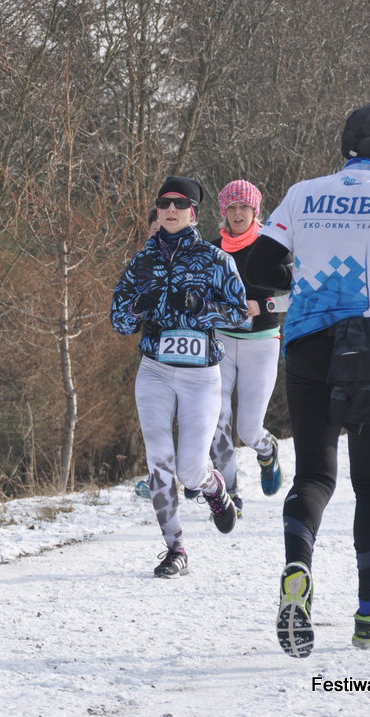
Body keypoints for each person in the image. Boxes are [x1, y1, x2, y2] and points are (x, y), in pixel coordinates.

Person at [245, 103, 370, 658]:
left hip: (307, 342)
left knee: (314, 473)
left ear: (344, 148)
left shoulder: (303, 194)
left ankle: (297, 571)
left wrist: (300, 280)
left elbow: (257, 267)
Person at [111, 176, 248, 578]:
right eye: (164, 203)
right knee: (159, 460)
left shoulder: (215, 259)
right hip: (154, 369)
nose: (171, 209)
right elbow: (119, 321)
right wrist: (139, 305)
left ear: (194, 213)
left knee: (189, 469)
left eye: (180, 203)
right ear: (157, 210)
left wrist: (202, 307)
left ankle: (214, 488)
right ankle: (176, 549)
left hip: (201, 373)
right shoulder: (142, 262)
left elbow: (240, 314)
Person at [207, 180, 288, 517]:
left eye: (244, 207)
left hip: (262, 342)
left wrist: (263, 306)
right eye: (232, 207)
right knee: (217, 418)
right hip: (221, 341)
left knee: (248, 428)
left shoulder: (273, 247)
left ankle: (267, 451)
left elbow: (299, 293)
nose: (238, 213)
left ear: (256, 211)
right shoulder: (212, 250)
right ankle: (229, 494)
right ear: (224, 211)